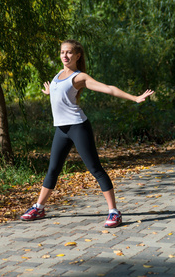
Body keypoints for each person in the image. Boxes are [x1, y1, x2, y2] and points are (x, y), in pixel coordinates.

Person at [21, 39, 154, 227]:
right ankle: (39, 207)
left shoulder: (79, 77)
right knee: (53, 169)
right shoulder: (58, 74)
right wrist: (51, 92)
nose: (64, 56)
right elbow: (61, 96)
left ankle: (114, 212)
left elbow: (108, 88)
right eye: (62, 52)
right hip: (61, 129)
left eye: (68, 52)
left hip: (77, 127)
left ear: (77, 56)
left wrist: (135, 98)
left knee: (95, 169)